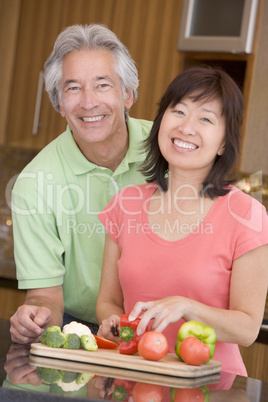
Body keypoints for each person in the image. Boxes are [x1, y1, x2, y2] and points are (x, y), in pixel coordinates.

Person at [96, 66, 268, 376]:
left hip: (213, 388)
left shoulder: (246, 214)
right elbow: (109, 300)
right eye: (178, 112)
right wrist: (112, 322)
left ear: (224, 143)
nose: (186, 128)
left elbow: (247, 328)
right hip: (134, 381)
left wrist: (187, 307)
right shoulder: (126, 203)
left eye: (205, 119)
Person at [9, 23, 152, 344]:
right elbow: (45, 296)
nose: (88, 102)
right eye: (73, 88)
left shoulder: (169, 149)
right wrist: (35, 315)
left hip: (164, 323)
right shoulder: (33, 184)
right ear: (59, 103)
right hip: (83, 328)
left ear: (127, 95)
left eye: (102, 85)